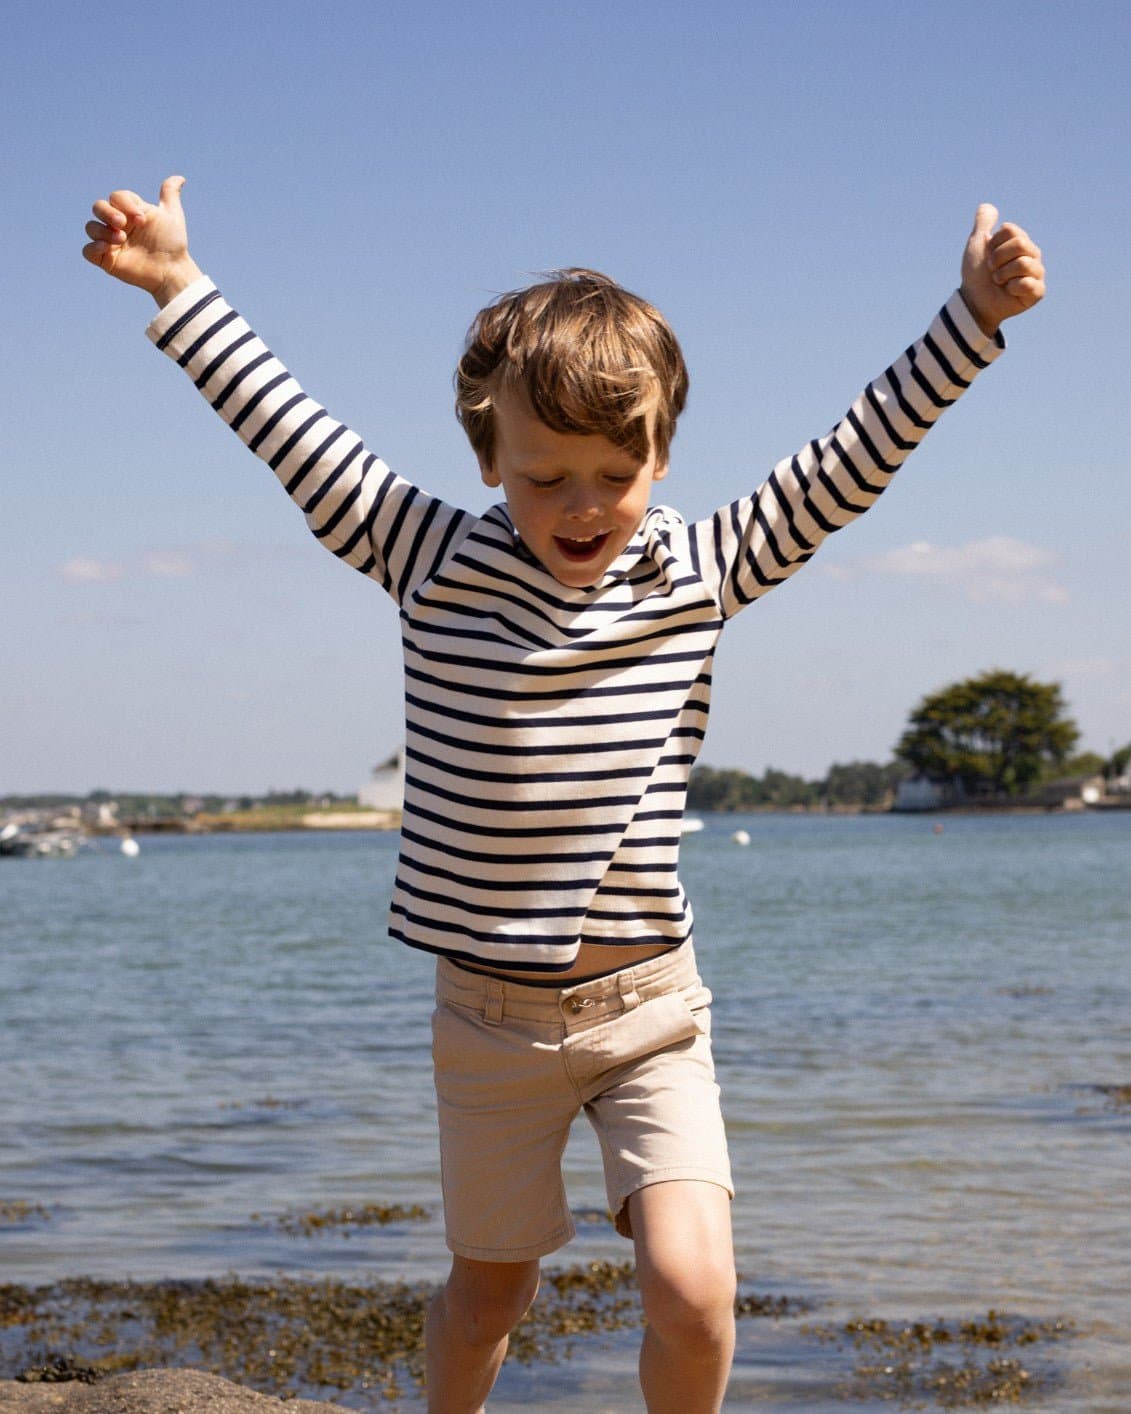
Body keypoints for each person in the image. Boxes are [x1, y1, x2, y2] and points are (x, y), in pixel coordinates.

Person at [82, 179, 1045, 1413]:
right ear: (487, 456)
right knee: (490, 1293)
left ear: (661, 449)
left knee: (696, 1292)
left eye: (614, 468)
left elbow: (851, 460)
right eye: (545, 478)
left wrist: (969, 317)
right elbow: (290, 429)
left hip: (651, 1010)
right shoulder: (427, 556)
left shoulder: (699, 567)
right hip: (489, 1024)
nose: (584, 504)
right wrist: (176, 285)